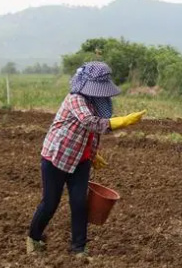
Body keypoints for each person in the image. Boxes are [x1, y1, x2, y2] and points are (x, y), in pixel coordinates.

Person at [27, 61, 147, 257]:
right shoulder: (75, 99)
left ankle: (79, 249)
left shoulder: (95, 103)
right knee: (50, 202)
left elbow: (91, 134)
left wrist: (92, 154)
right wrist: (123, 121)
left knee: (80, 203)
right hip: (56, 157)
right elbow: (89, 123)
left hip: (80, 161)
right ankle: (33, 238)